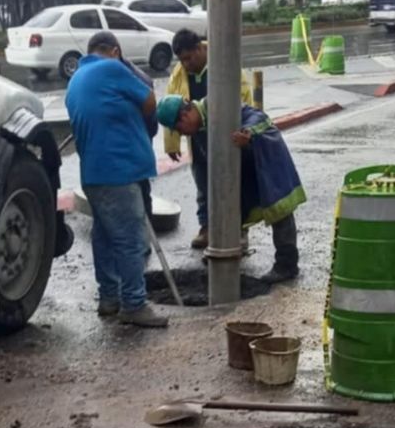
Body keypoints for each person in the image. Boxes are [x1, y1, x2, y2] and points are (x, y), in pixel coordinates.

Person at [65, 31, 167, 327]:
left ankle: (109, 298)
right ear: (113, 51)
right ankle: (134, 304)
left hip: (93, 174)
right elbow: (149, 101)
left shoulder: (75, 80)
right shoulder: (111, 67)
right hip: (119, 171)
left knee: (105, 236)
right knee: (130, 239)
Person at [156, 95, 304, 283]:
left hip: (266, 159)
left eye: (179, 129)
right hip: (245, 170)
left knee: (280, 211)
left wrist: (248, 133)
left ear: (185, 116)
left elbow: (256, 116)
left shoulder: (217, 103)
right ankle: (225, 253)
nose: (182, 133)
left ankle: (287, 265)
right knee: (236, 211)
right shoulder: (199, 130)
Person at [164, 28, 252, 251]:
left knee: (233, 182)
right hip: (197, 138)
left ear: (199, 49)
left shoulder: (223, 62)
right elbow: (171, 106)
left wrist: (248, 132)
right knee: (202, 183)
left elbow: (245, 99)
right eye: (181, 60)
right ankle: (207, 227)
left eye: (188, 58)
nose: (186, 64)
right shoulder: (180, 74)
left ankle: (238, 229)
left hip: (226, 135)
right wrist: (171, 143)